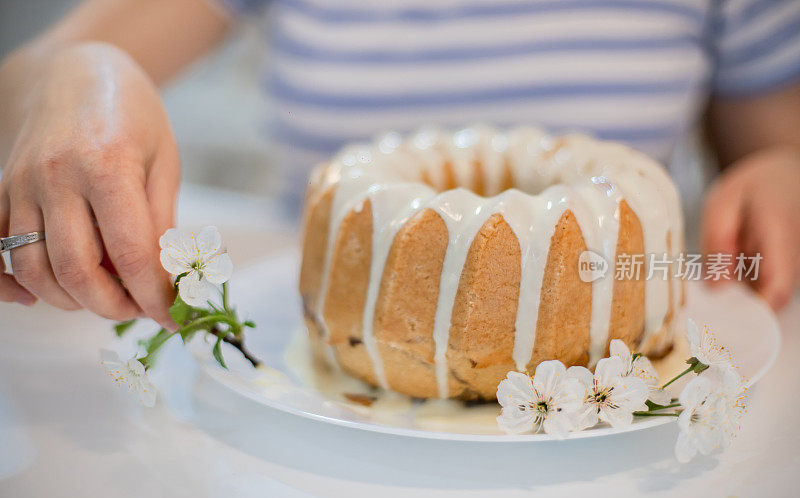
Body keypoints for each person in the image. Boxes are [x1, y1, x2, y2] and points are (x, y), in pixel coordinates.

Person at [0, 0, 798, 330]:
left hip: (614, 403)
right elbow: (39, 70)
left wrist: (783, 173)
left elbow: (771, 155)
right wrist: (78, 76)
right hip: (309, 393)